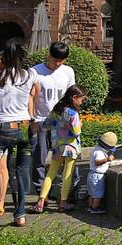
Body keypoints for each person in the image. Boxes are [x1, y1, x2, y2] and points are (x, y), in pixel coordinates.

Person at [0, 38, 40, 227]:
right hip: (25, 126)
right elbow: (35, 94)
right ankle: (20, 214)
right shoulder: (29, 74)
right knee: (23, 170)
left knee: (0, 168)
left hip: (3, 127)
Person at [29, 42, 77, 193]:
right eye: (55, 60)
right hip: (41, 120)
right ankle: (41, 191)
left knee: (68, 155)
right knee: (39, 158)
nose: (57, 64)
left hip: (62, 122)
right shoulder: (35, 71)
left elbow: (71, 96)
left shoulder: (68, 71)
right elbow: (30, 97)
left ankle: (69, 190)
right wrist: (32, 119)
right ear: (49, 55)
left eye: (61, 61)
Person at [35, 84, 85, 213]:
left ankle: (41, 201)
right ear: (74, 97)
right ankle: (62, 203)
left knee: (50, 173)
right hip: (71, 147)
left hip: (57, 146)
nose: (82, 102)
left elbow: (46, 125)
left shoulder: (57, 109)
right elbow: (76, 132)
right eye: (81, 99)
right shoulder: (73, 113)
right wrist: (79, 124)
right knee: (67, 175)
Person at [87, 131, 118, 215]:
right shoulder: (99, 152)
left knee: (92, 194)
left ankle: (90, 206)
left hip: (91, 174)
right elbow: (97, 162)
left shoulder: (97, 149)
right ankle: (94, 208)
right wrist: (107, 159)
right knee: (98, 194)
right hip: (97, 176)